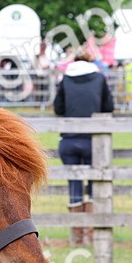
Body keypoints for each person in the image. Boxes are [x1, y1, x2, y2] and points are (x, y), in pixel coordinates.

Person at [53, 47, 113, 246]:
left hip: (69, 139)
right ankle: (90, 234)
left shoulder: (66, 78)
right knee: (94, 185)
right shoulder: (99, 78)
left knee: (74, 185)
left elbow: (58, 108)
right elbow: (108, 107)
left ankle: (76, 236)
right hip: (93, 141)